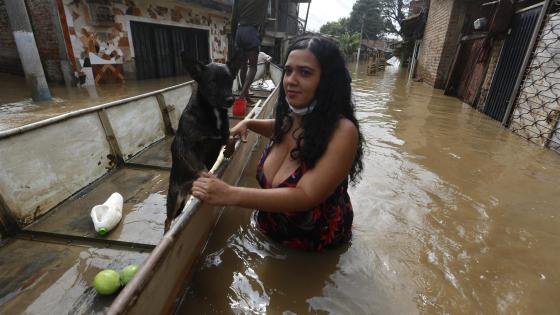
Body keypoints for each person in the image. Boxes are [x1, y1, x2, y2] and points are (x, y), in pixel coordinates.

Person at [193, 35, 364, 251]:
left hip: (314, 252)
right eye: (288, 70)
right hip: (267, 235)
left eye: (305, 72)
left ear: (327, 81)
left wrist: (229, 193)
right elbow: (282, 126)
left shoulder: (344, 132)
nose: (291, 80)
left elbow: (305, 196)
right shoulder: (293, 117)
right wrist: (249, 124)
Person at [230, 0, 268, 102]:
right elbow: (264, 19)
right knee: (253, 67)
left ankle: (246, 96)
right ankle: (242, 97)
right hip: (251, 31)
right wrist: (261, 36)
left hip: (239, 31)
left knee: (243, 67)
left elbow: (233, 19)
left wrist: (234, 38)